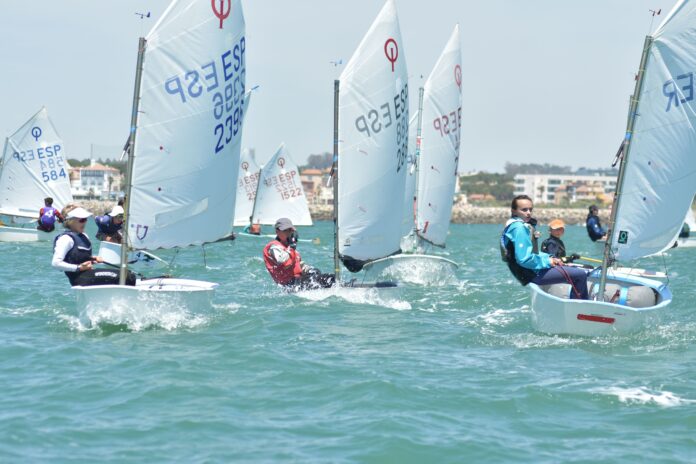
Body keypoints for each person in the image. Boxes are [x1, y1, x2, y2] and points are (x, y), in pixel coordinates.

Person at [501, 195, 588, 299]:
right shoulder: (519, 228)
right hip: (531, 273)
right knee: (580, 275)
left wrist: (550, 257)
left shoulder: (516, 225)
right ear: (514, 211)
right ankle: (579, 305)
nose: (528, 212)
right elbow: (524, 259)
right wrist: (548, 261)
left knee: (574, 271)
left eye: (530, 209)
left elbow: (533, 253)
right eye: (524, 210)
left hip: (528, 271)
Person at [52, 205, 136, 287]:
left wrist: (93, 259)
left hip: (88, 274)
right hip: (79, 279)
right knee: (126, 277)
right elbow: (56, 263)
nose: (85, 222)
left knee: (129, 274)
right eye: (81, 220)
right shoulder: (65, 239)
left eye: (85, 219)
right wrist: (79, 268)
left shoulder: (84, 236)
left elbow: (79, 258)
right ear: (70, 221)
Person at [263, 217, 334, 290]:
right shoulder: (274, 247)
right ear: (277, 232)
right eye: (285, 231)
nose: (288, 233)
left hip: (299, 281)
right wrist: (291, 247)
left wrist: (309, 269)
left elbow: (298, 265)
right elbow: (283, 262)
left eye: (290, 230)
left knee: (331, 278)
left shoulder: (289, 248)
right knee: (318, 281)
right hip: (290, 285)